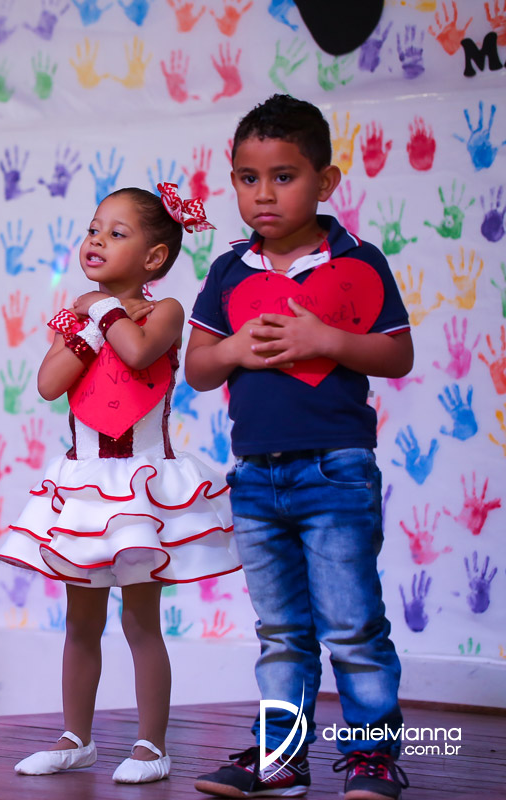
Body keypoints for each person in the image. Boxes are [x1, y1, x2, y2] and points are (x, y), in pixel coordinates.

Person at [187, 95, 412, 800]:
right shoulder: (229, 271)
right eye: (248, 178)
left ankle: (374, 756)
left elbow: (397, 355)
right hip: (255, 477)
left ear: (326, 181)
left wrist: (326, 339)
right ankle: (281, 757)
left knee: (352, 624)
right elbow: (198, 368)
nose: (264, 194)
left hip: (336, 471)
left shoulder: (358, 262)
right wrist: (233, 351)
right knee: (281, 629)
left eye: (283, 177)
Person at [0, 186, 237, 784]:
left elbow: (139, 352)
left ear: (154, 257)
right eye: (93, 228)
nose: (96, 240)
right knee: (80, 621)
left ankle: (152, 745)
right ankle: (75, 738)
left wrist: (102, 311)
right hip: (84, 485)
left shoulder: (166, 311)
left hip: (141, 486)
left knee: (140, 621)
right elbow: (50, 383)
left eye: (116, 233)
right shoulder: (74, 316)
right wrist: (87, 326)